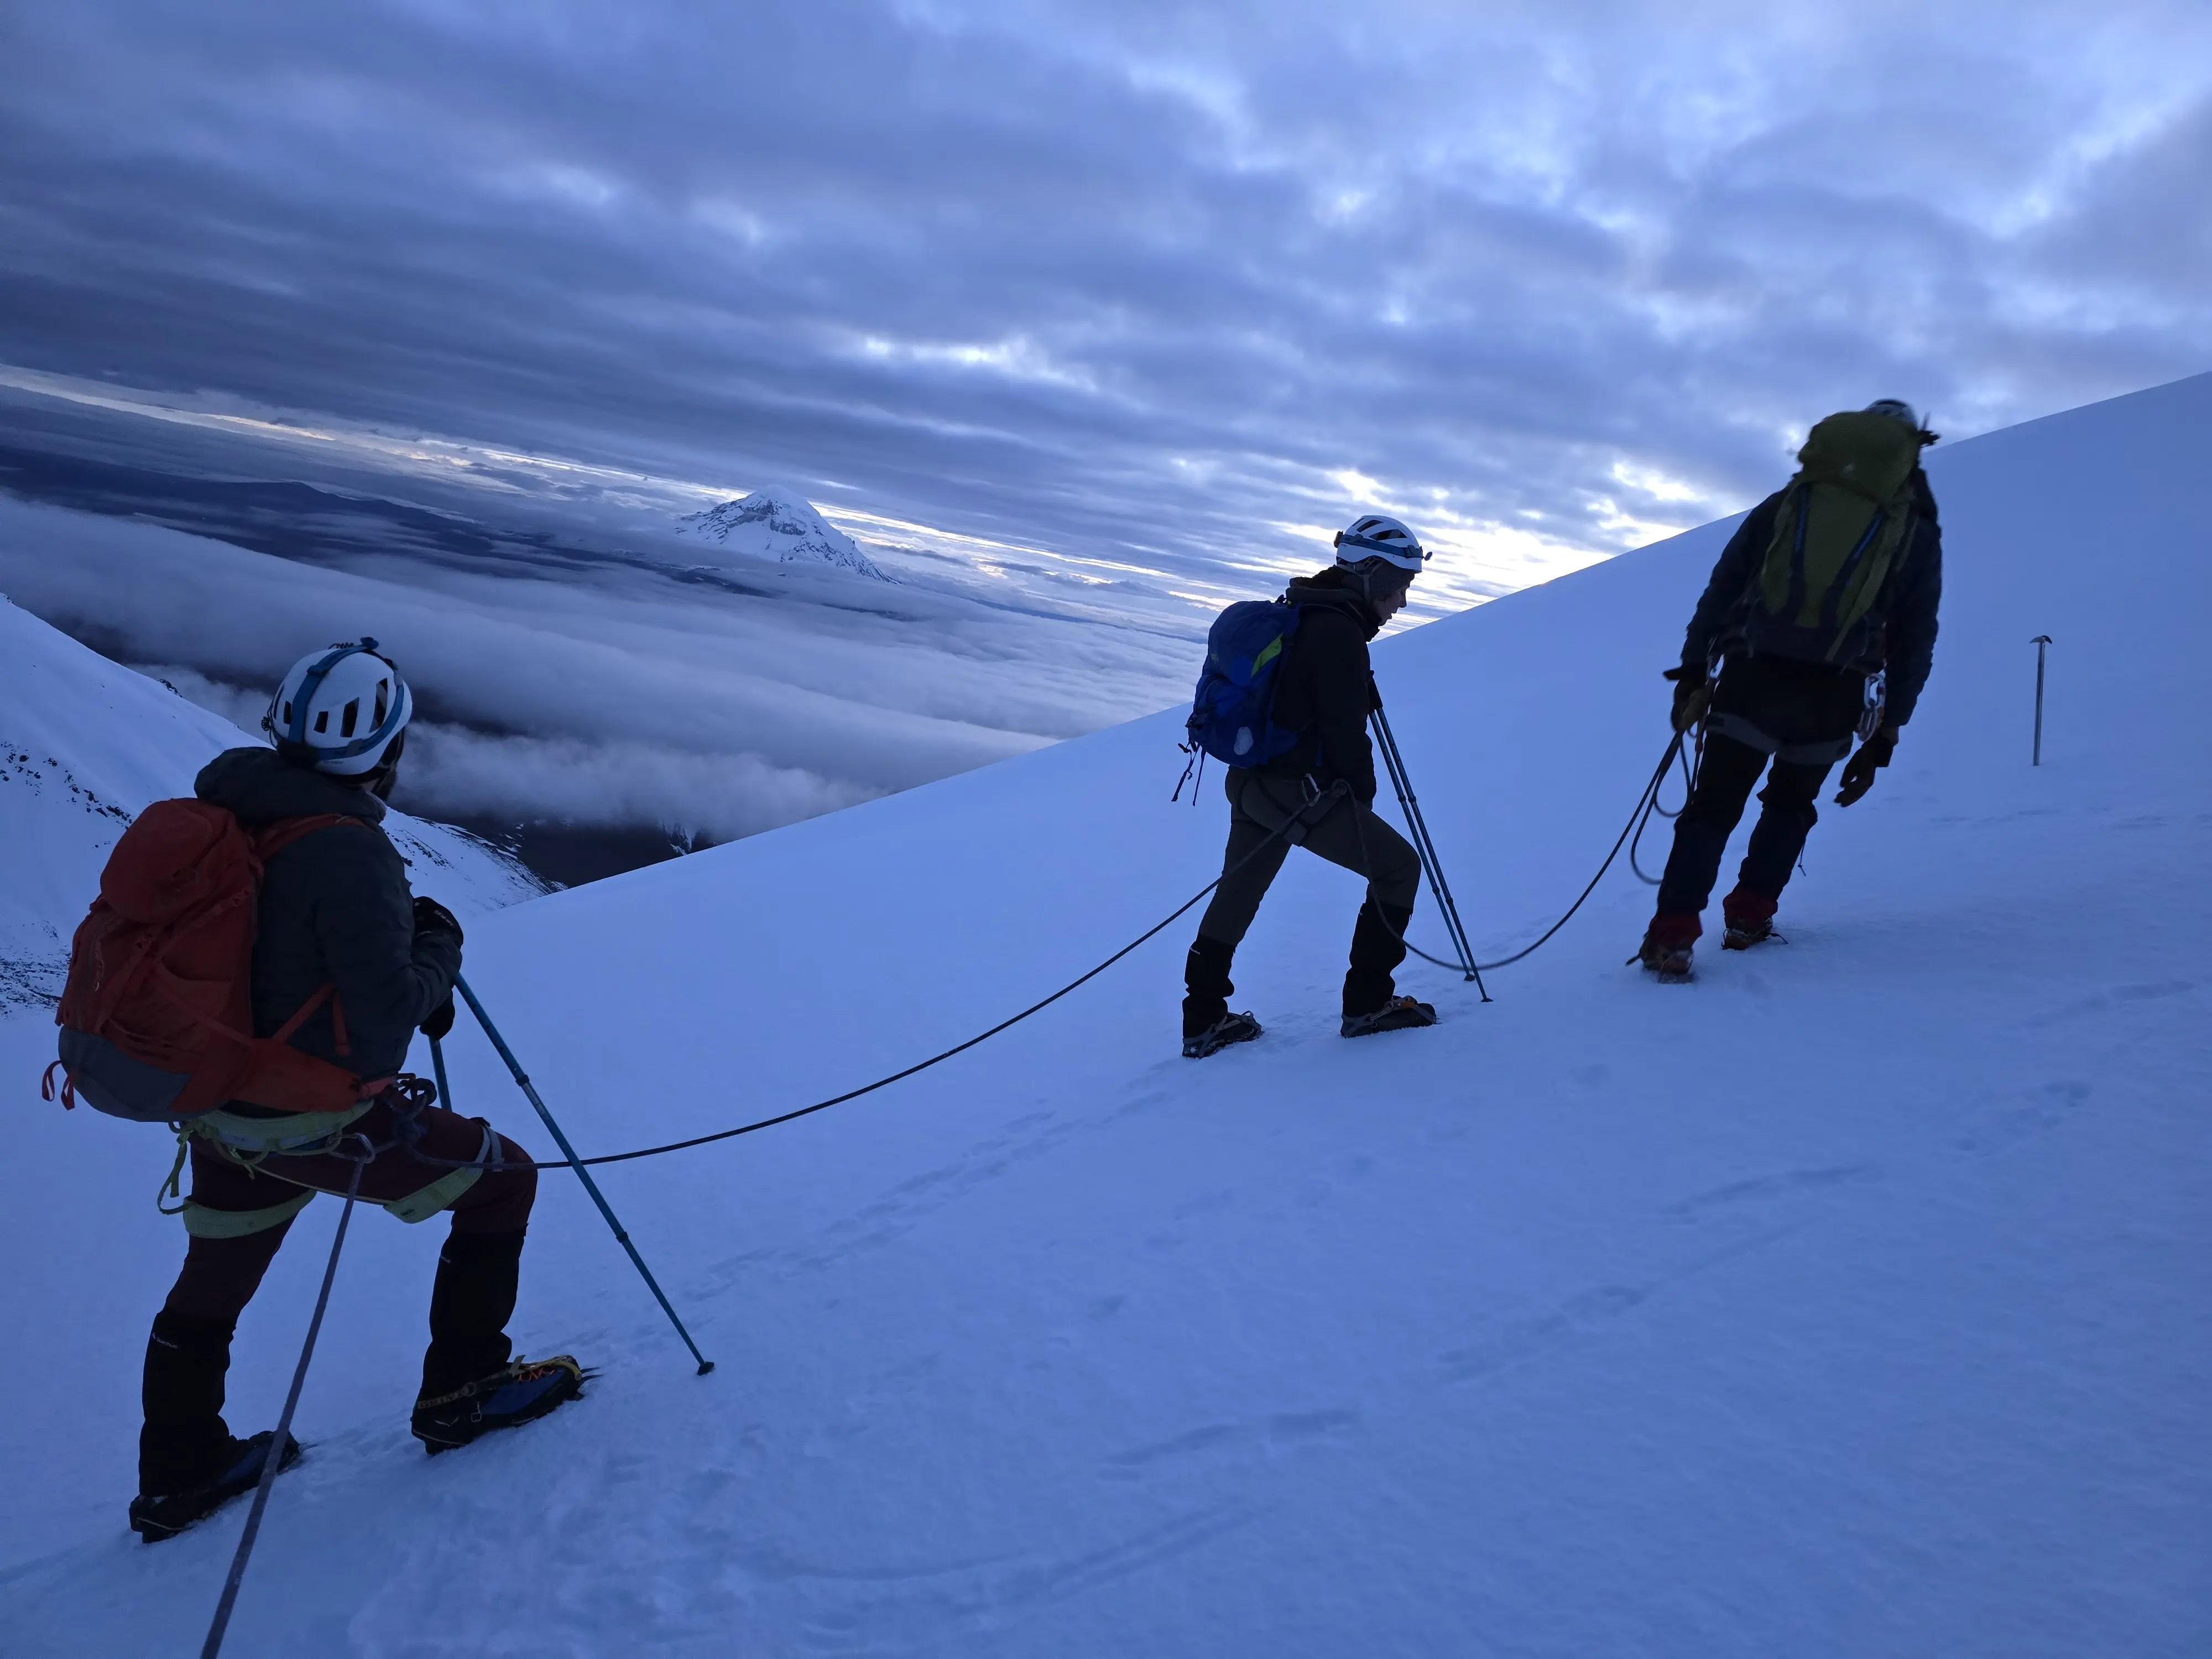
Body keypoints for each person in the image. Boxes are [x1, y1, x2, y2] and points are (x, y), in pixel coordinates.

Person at [131, 640, 581, 1543]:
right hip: (312, 1114)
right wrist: (438, 948)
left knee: (212, 1281)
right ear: (386, 749)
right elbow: (383, 1021)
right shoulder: (348, 849)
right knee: (504, 1180)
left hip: (219, 1103)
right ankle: (462, 1393)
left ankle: (178, 1471)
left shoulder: (224, 805)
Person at [1637, 400, 1944, 980]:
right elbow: (1916, 637)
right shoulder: (1913, 533)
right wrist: (1888, 730)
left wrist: (1694, 672)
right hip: (1833, 694)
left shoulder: (1788, 505)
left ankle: (1671, 937)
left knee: (1712, 809)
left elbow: (1722, 589)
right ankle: (1748, 919)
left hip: (1751, 677)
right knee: (1789, 805)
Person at [1182, 515, 1436, 1056]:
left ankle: (1202, 1018)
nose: (1401, 603)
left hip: (1250, 782)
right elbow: (1348, 738)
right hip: (1296, 791)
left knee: (1238, 891)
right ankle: (1367, 1005)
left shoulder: (1298, 609)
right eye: (1398, 588)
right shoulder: (1339, 634)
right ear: (1370, 576)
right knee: (1397, 869)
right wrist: (1359, 808)